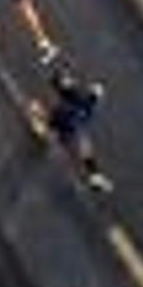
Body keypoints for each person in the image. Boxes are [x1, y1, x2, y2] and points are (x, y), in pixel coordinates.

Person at [31, 61, 110, 192]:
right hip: (67, 122)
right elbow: (62, 86)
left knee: (82, 144)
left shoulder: (82, 101)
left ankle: (95, 177)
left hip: (66, 121)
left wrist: (62, 79)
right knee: (82, 144)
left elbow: (61, 86)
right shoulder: (84, 103)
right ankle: (94, 177)